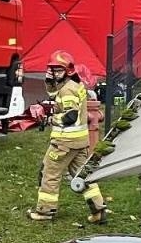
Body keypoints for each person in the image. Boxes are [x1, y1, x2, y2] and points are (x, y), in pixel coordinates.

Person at [27, 51, 108, 224]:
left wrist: (51, 119)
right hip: (80, 142)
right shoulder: (74, 84)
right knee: (82, 176)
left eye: (59, 70)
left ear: (68, 70)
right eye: (53, 70)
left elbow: (70, 116)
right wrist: (49, 80)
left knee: (50, 173)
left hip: (64, 143)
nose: (55, 74)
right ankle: (98, 209)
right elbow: (54, 93)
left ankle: (45, 211)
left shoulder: (67, 90)